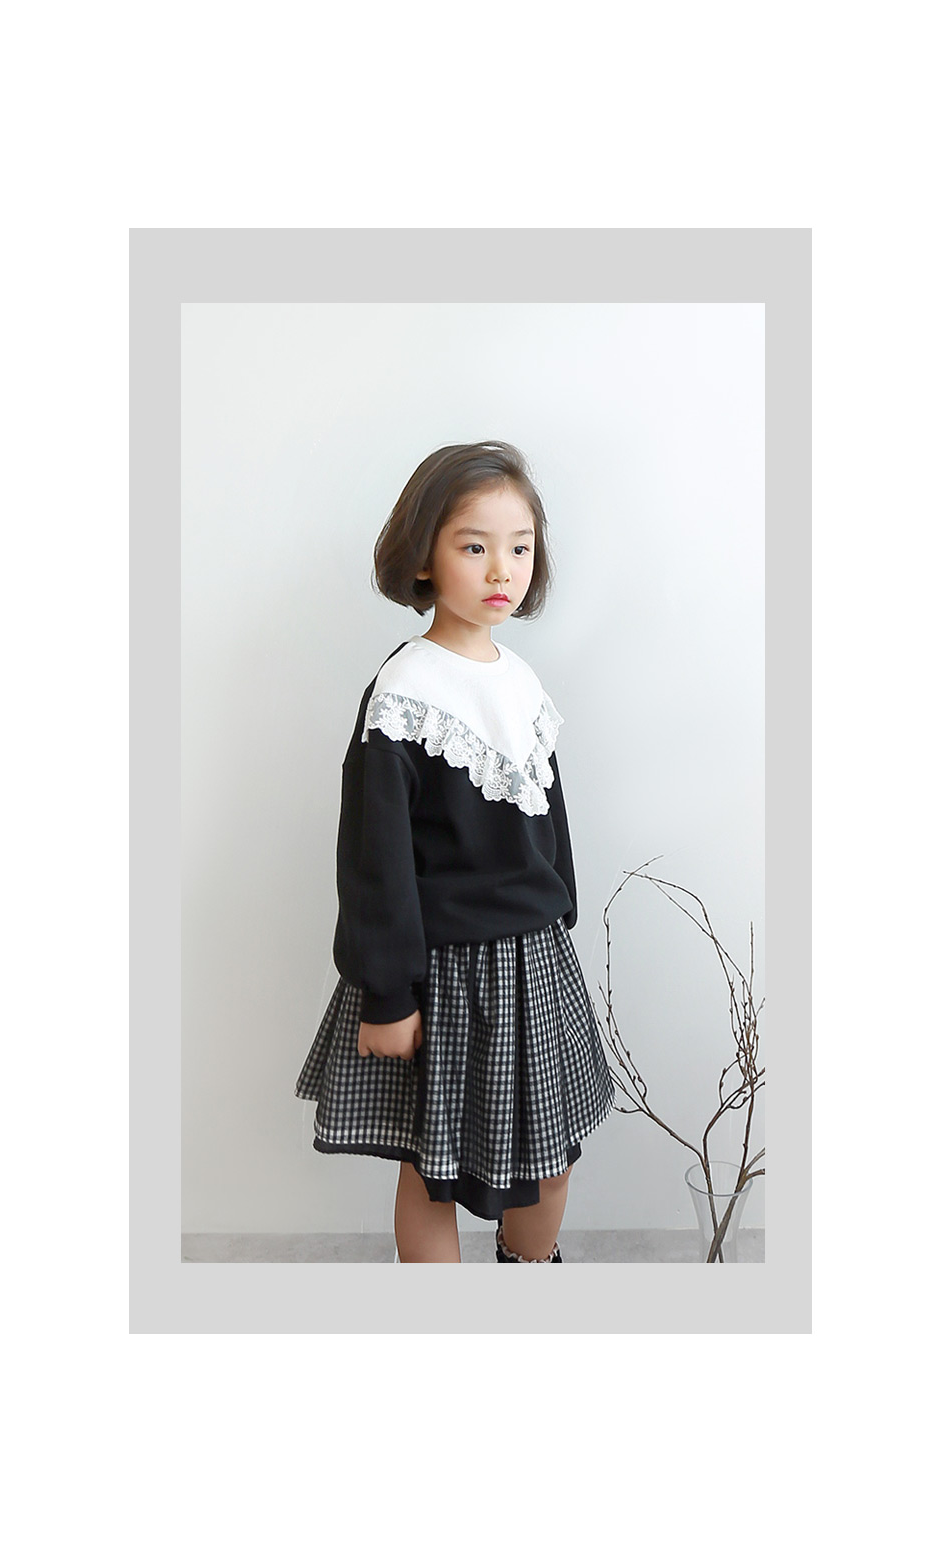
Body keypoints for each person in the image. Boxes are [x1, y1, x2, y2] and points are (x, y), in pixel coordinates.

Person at [295, 441, 614, 1263]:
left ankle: (527, 1269)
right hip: (444, 971)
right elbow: (375, 859)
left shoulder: (520, 679)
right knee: (431, 1170)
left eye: (520, 548)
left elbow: (549, 813)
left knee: (551, 1163)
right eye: (475, 547)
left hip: (535, 962)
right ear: (424, 557)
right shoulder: (406, 693)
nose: (502, 569)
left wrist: (562, 912)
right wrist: (388, 993)